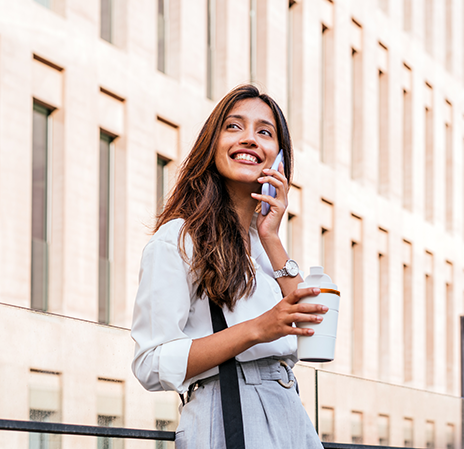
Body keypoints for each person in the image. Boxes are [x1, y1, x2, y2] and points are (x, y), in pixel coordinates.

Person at [131, 84, 326, 448]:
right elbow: (150, 363)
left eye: (264, 132)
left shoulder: (266, 243)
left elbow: (316, 331)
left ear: (279, 159)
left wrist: (272, 237)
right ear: (212, 144)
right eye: (234, 127)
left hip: (290, 410)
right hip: (227, 411)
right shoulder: (179, 239)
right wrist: (256, 329)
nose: (250, 139)